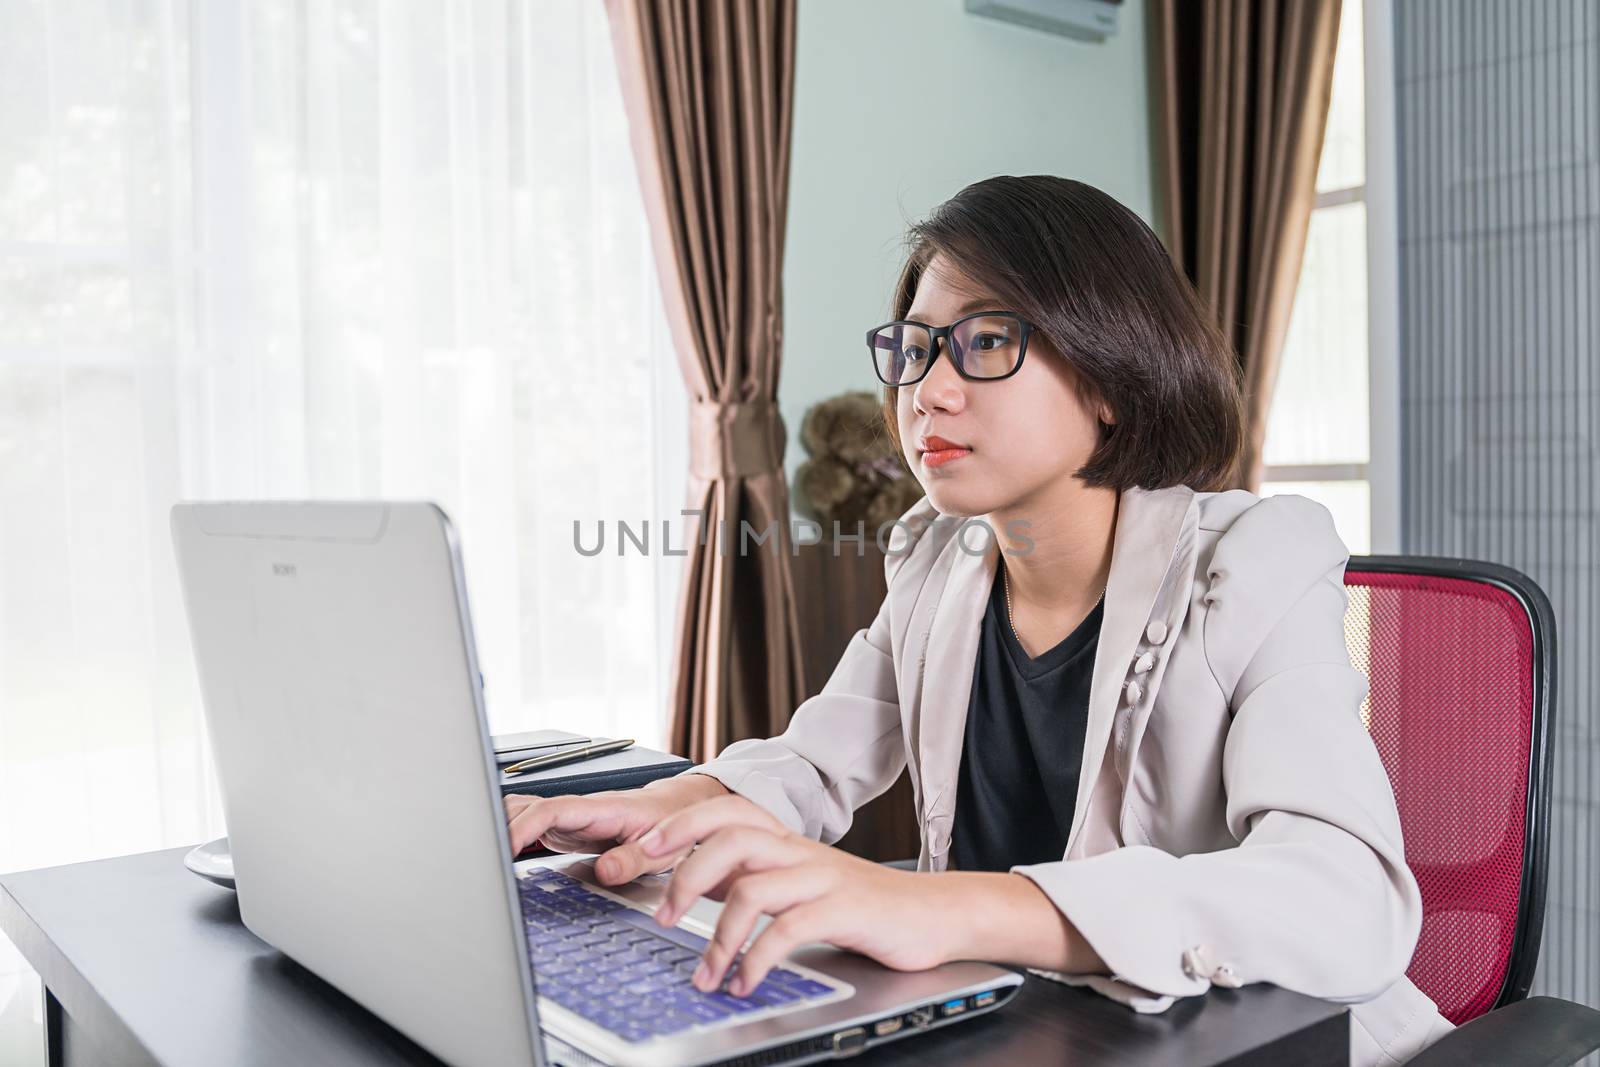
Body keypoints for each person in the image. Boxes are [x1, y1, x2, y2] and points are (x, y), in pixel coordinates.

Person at [505, 175, 1452, 1066]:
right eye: (915, 347)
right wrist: (665, 812)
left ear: (1113, 374)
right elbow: (814, 762)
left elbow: (1347, 899)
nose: (929, 391)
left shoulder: (1255, 559)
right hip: (1029, 1025)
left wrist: (947, 908)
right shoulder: (934, 558)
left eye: (987, 341)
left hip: (1255, 1045)